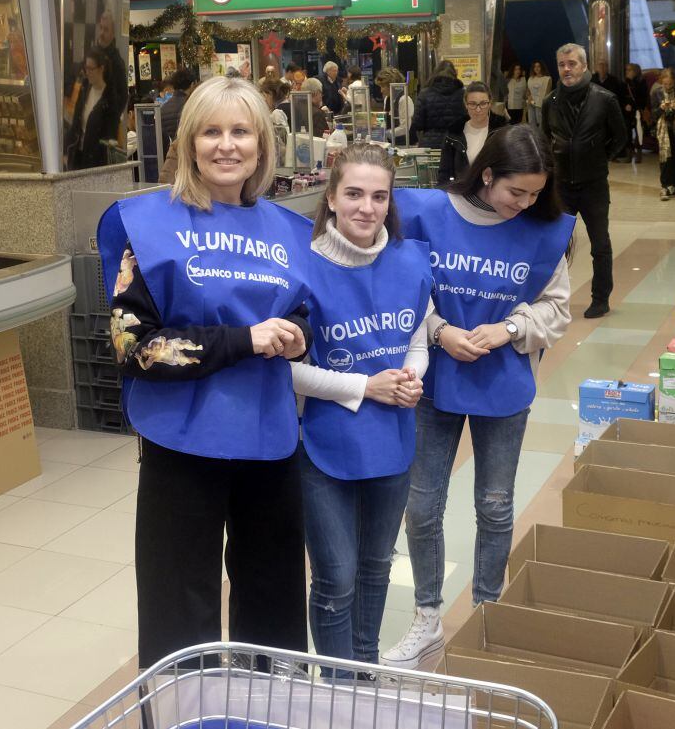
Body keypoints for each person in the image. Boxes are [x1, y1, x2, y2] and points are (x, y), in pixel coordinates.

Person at [96, 76, 314, 666]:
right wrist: (244, 340)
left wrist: (298, 336)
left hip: (268, 443)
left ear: (262, 145)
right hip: (180, 446)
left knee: (274, 604)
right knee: (177, 611)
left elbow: (302, 311)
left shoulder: (291, 231)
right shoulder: (146, 227)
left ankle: (268, 710)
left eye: (241, 131)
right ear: (189, 144)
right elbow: (133, 346)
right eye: (211, 131)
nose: (227, 145)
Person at [381, 125, 574, 670]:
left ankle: (489, 610)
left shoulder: (544, 231)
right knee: (421, 505)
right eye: (516, 191)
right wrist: (440, 330)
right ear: (487, 174)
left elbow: (557, 308)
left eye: (536, 193)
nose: (525, 204)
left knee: (494, 505)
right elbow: (396, 288)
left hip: (503, 383)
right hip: (433, 380)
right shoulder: (426, 214)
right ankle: (426, 618)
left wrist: (508, 330)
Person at [293, 143, 433, 673]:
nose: (366, 208)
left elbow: (417, 341)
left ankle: (364, 669)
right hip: (323, 443)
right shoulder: (301, 266)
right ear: (330, 198)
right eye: (353, 193)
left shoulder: (411, 261)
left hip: (393, 440)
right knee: (337, 575)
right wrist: (362, 387)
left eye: (379, 196)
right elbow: (284, 370)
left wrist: (409, 379)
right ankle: (334, 685)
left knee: (377, 566)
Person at [542, 43, 627, 319]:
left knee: (600, 243)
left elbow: (621, 138)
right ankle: (551, 300)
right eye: (562, 65)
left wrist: (599, 158)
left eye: (572, 64)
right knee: (555, 245)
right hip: (562, 185)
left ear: (584, 65)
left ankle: (600, 299)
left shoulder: (604, 99)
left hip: (593, 185)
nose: (567, 70)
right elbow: (545, 138)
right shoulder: (550, 102)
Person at [438, 81, 508, 184]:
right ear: (465, 104)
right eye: (472, 104)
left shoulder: (502, 130)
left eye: (483, 103)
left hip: (493, 194)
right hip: (461, 194)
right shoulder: (453, 133)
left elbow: (510, 168)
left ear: (490, 103)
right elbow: (444, 173)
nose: (478, 109)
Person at [67, 48, 121, 170]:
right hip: (78, 154)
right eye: (86, 68)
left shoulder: (110, 97)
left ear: (101, 69)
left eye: (91, 69)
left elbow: (111, 132)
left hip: (97, 160)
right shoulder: (85, 89)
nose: (88, 72)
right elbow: (76, 121)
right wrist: (67, 149)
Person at [651, 68, 675, 201]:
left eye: (670, 84)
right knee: (665, 158)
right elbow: (653, 114)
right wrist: (661, 109)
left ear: (674, 82)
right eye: (665, 84)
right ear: (661, 82)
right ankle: (665, 186)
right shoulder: (656, 93)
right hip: (663, 130)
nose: (667, 87)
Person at [411, 60, 465, 151]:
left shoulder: (425, 93)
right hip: (455, 144)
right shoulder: (463, 94)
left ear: (435, 73)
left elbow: (417, 124)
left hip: (429, 146)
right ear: (455, 74)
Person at [159, 68, 197, 158]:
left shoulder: (163, 108)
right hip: (187, 158)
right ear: (192, 85)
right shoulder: (191, 107)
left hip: (168, 157)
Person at [374, 67, 415, 145]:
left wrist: (386, 133)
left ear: (392, 85)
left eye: (383, 86)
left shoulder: (404, 99)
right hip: (391, 143)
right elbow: (384, 119)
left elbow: (405, 128)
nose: (381, 91)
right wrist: (378, 128)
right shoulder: (387, 99)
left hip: (406, 144)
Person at [621, 63, 650, 163]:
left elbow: (642, 97)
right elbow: (621, 95)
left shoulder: (641, 82)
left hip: (638, 111)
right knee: (627, 132)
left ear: (635, 71)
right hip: (627, 112)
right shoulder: (625, 82)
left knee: (639, 133)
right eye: (626, 70)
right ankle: (629, 154)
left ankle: (639, 155)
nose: (627, 72)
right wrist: (625, 105)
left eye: (630, 70)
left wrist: (633, 106)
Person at [526, 60, 552, 131]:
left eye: (538, 66)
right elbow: (528, 91)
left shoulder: (547, 79)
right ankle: (533, 139)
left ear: (542, 67)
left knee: (541, 123)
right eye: (535, 67)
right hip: (531, 102)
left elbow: (548, 93)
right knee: (531, 123)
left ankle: (541, 140)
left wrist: (545, 105)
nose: (536, 68)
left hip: (540, 104)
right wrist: (529, 97)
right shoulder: (530, 78)